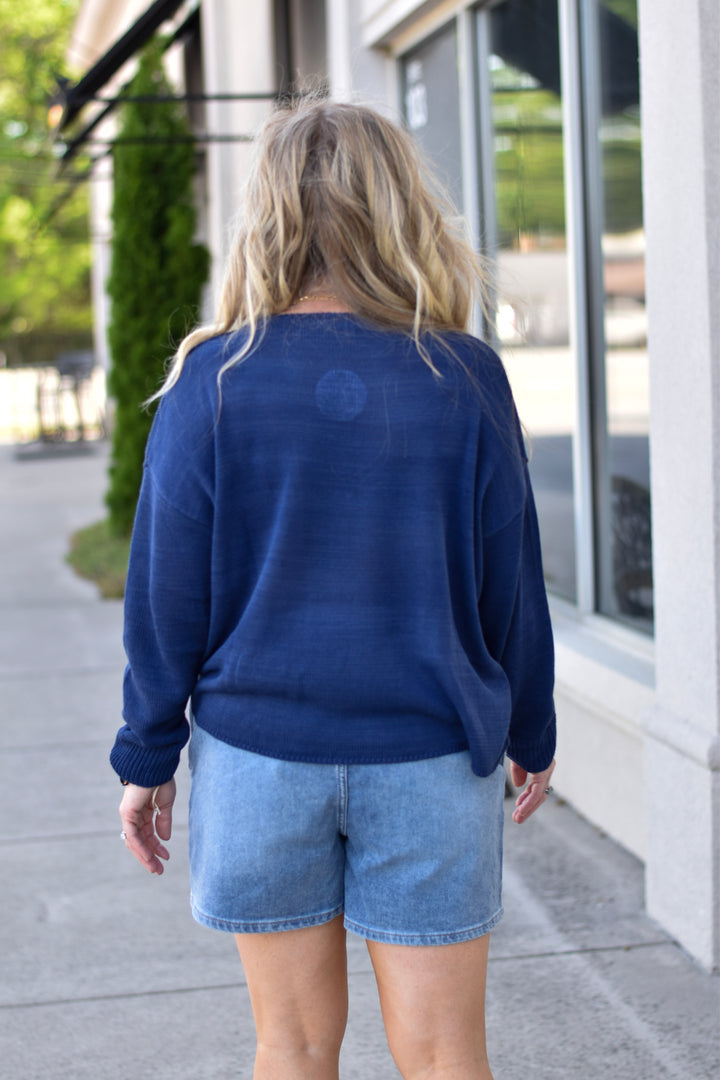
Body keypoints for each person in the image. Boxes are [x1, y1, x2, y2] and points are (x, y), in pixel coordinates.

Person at [112, 98, 556, 1080]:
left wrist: (146, 756)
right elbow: (508, 580)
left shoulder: (211, 383)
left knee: (292, 1047)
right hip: (431, 757)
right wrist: (532, 730)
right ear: (401, 207)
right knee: (446, 1056)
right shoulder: (462, 374)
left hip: (258, 761)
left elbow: (163, 597)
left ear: (265, 216)